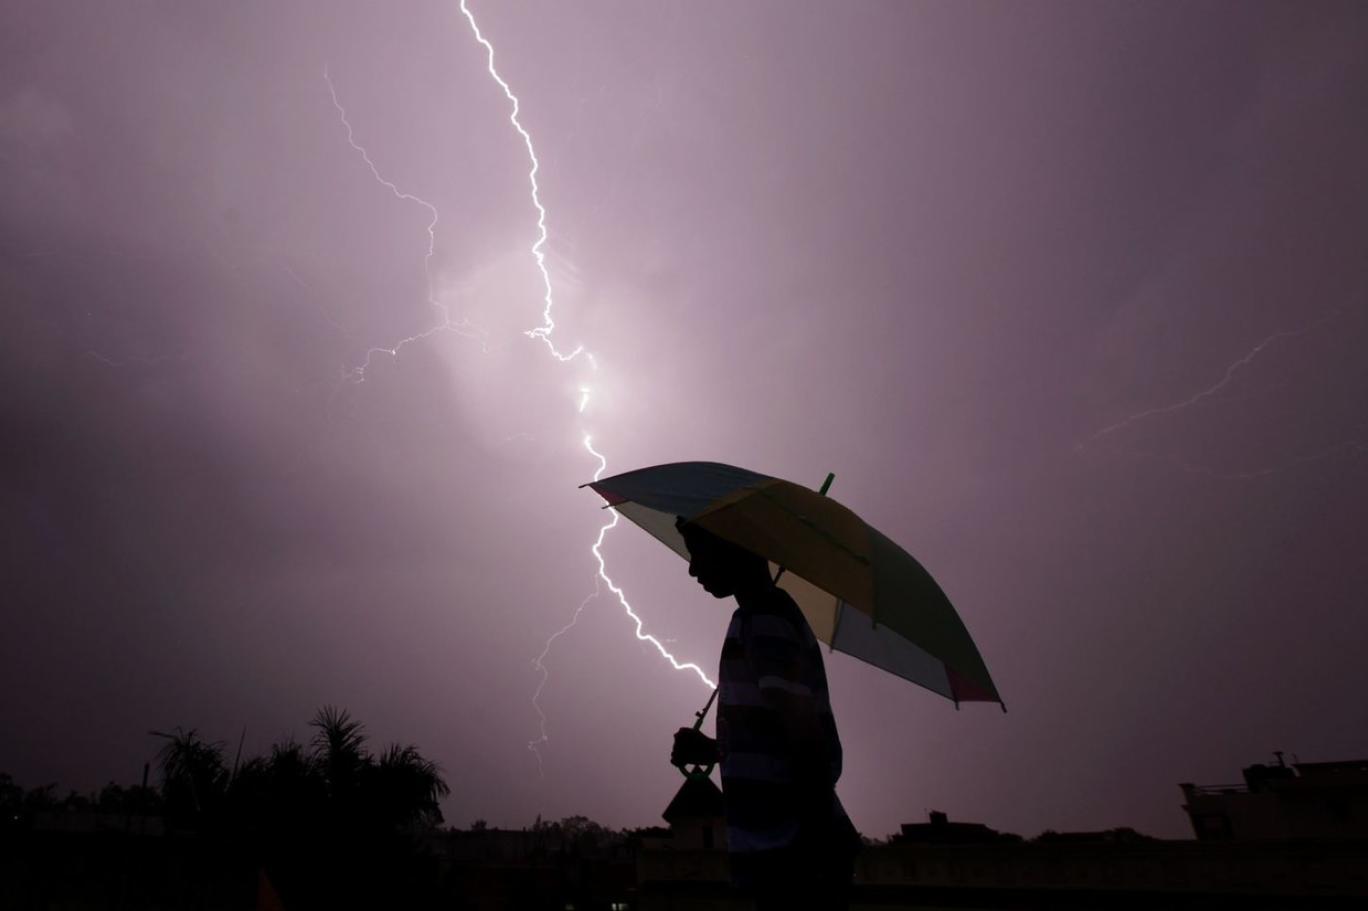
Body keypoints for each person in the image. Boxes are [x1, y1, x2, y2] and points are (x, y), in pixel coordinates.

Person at [671, 518, 859, 910]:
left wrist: (818, 843)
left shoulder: (766, 619)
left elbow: (803, 736)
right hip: (778, 854)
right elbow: (770, 735)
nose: (692, 568)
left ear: (734, 548)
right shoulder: (753, 618)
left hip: (792, 857)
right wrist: (713, 748)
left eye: (698, 553)